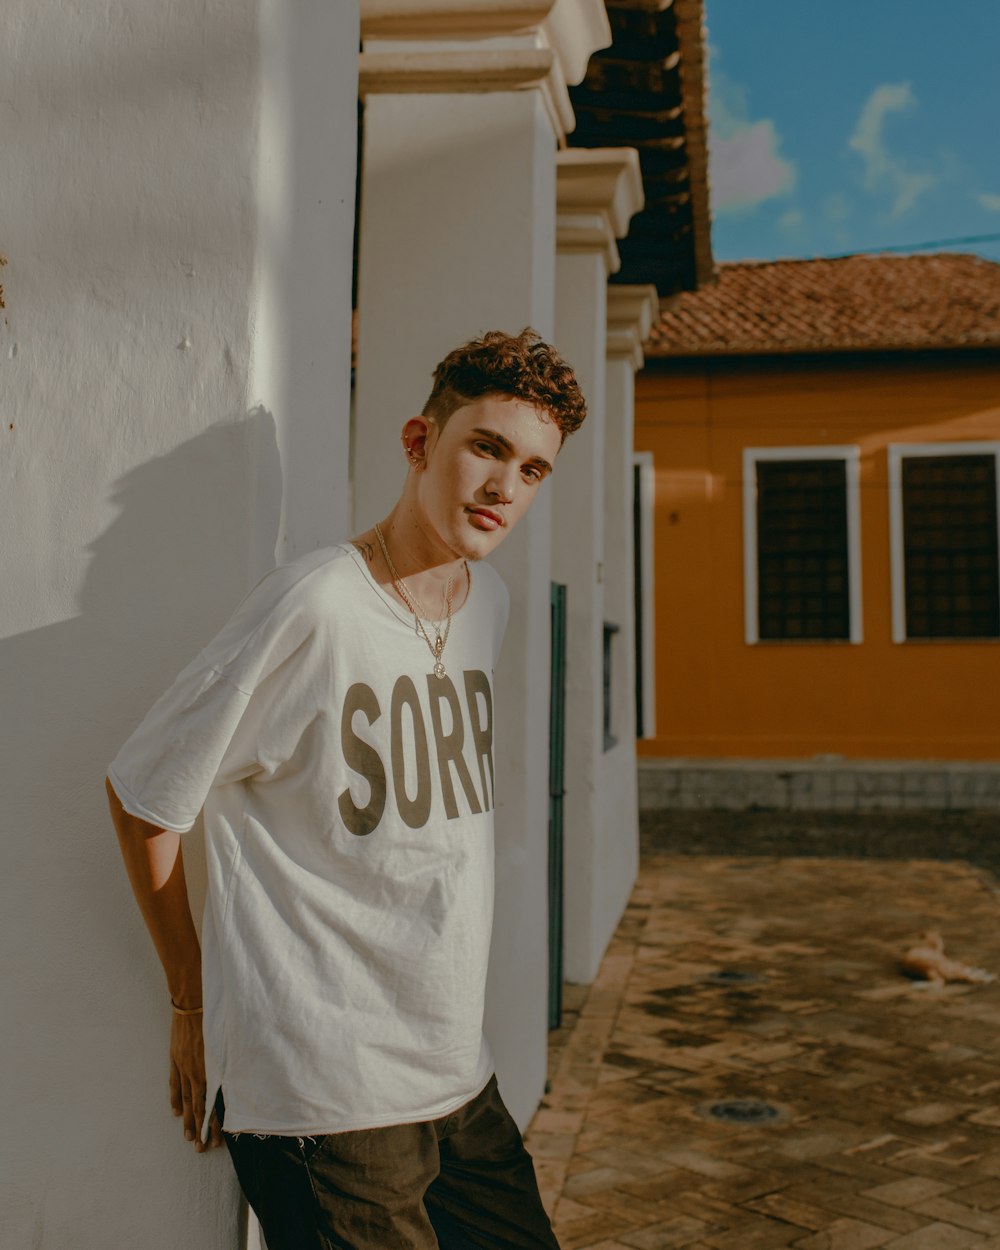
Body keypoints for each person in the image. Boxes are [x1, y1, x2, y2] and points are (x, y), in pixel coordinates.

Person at [106, 327, 587, 1249]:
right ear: (420, 443)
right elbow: (143, 794)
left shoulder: (492, 604)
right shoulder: (315, 605)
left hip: (454, 1076)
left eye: (532, 470)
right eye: (486, 448)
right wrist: (190, 997)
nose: (503, 488)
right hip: (326, 1101)